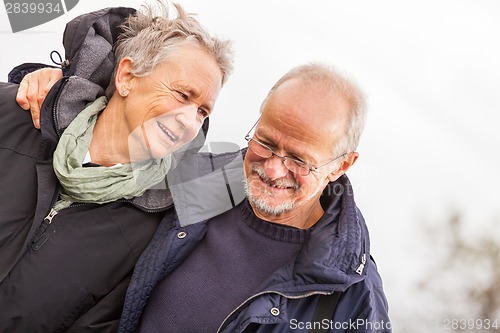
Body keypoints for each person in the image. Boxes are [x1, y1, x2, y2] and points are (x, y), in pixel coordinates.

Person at [17, 63, 391, 332]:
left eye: (298, 160)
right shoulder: (195, 179)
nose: (273, 169)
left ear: (342, 165)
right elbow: (111, 134)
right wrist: (52, 83)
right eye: (265, 142)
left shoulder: (351, 296)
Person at [0, 1, 233, 332]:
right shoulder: (11, 114)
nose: (190, 122)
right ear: (126, 76)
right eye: (182, 95)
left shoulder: (151, 230)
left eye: (203, 112)